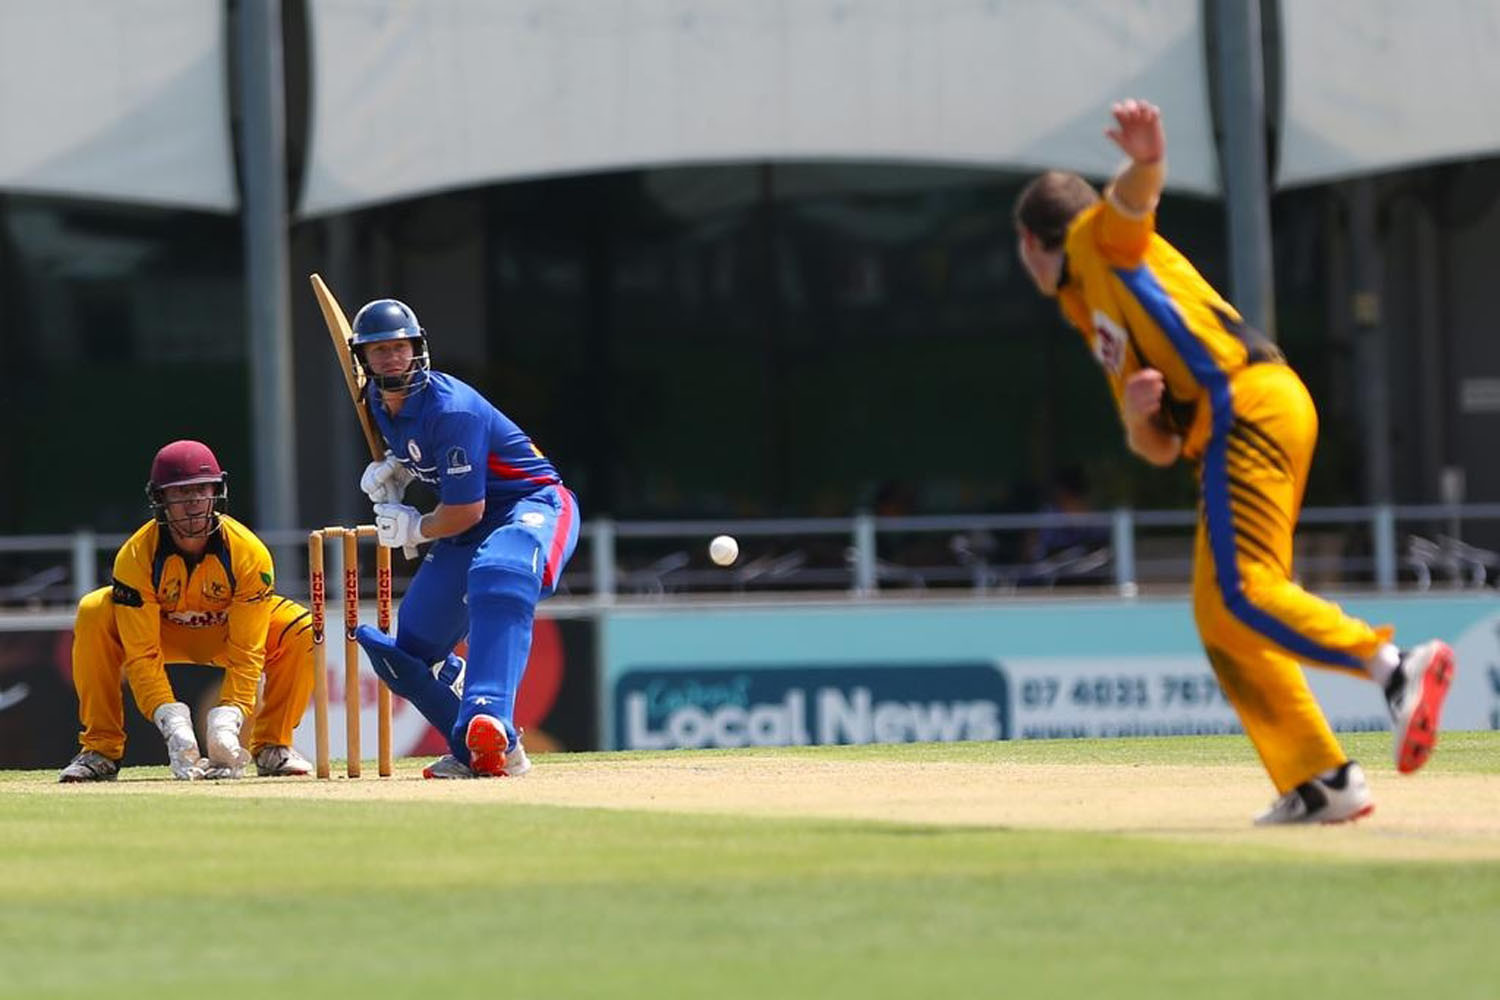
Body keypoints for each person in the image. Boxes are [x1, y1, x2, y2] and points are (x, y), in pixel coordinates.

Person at [1012, 99, 1456, 825]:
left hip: (1246, 406)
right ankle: (1320, 781)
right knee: (1221, 617)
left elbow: (1130, 205)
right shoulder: (1084, 303)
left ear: (1031, 242)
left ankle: (1395, 667)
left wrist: (1148, 160)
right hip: (1240, 420)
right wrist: (1137, 417)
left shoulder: (1094, 240)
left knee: (1243, 592)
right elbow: (1156, 447)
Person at [348, 298, 579, 779]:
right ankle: (482, 750)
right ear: (363, 358)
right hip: (470, 523)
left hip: (531, 504)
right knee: (409, 652)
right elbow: (426, 458)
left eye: (401, 346)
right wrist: (397, 468)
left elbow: (465, 509)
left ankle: (490, 716)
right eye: (380, 350)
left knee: (500, 572)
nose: (393, 358)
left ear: (417, 348)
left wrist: (415, 528)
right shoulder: (377, 403)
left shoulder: (452, 409)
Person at [60, 440, 316, 782]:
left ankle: (272, 747)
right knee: (94, 610)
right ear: (160, 499)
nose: (194, 502)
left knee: (301, 627)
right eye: (181, 493)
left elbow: (247, 651)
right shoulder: (136, 556)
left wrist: (230, 717)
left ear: (216, 491)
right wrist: (171, 720)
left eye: (201, 489)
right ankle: (101, 750)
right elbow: (142, 653)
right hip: (163, 634)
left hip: (226, 634)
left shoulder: (249, 553)